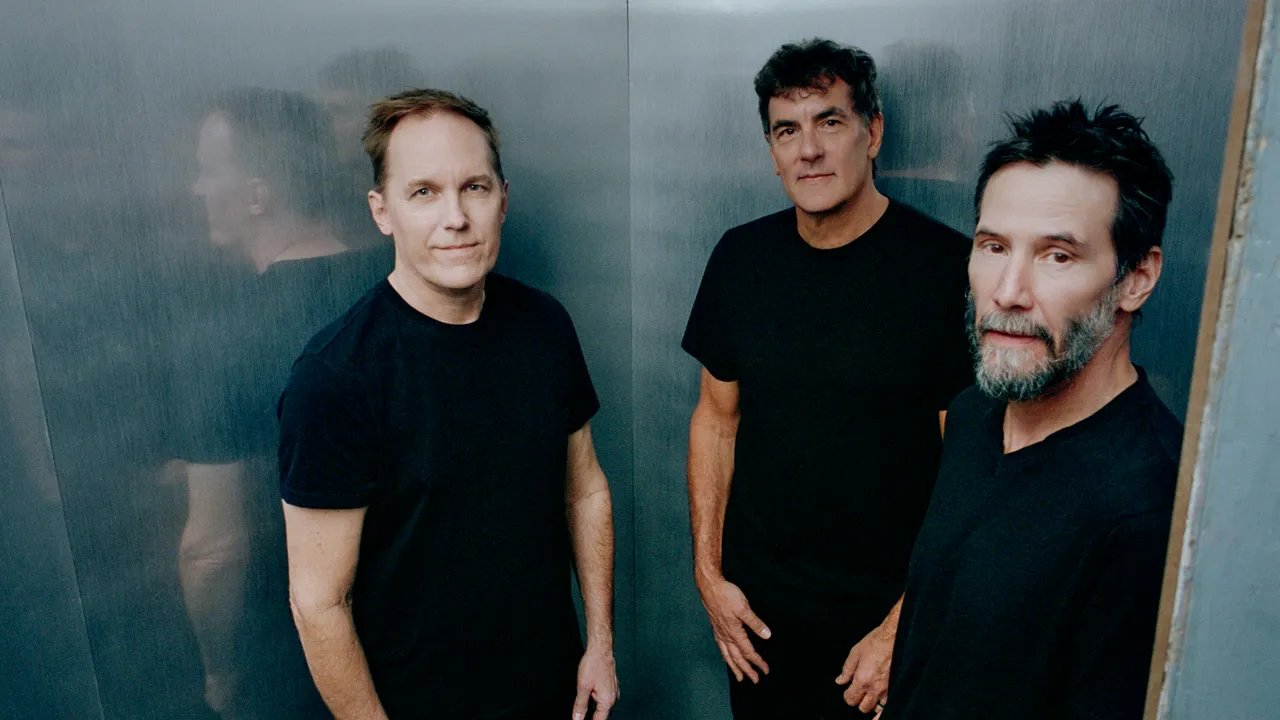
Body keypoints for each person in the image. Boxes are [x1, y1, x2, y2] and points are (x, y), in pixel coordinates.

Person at [278, 88, 618, 720]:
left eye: (474, 187)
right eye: (424, 192)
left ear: (503, 199)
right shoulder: (334, 379)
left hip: (557, 695)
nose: (455, 217)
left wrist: (600, 642)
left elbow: (585, 490)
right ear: (382, 211)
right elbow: (319, 604)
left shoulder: (544, 325)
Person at [682, 38, 972, 718]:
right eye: (787, 130)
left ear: (873, 132)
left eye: (830, 122)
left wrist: (904, 626)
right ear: (772, 149)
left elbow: (972, 467)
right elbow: (715, 421)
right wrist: (709, 576)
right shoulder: (741, 258)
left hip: (884, 629)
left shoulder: (945, 270)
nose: (808, 150)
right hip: (760, 626)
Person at [883, 100, 1180, 719]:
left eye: (1057, 255)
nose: (1008, 292)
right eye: (994, 246)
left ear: (1136, 278)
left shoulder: (1147, 510)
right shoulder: (974, 414)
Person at [176, 87, 391, 718]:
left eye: (206, 170)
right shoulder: (401, 286)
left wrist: (220, 671)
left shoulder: (224, 337)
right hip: (429, 637)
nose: (195, 189)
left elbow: (213, 549)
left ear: (257, 194)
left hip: (302, 659)